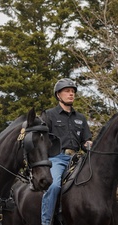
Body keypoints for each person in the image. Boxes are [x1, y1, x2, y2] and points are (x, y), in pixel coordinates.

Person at [41, 78, 93, 225]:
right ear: (58, 95)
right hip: (57, 158)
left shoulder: (81, 118)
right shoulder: (49, 115)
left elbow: (86, 140)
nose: (71, 94)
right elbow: (42, 140)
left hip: (78, 159)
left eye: (73, 92)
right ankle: (46, 221)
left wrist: (89, 144)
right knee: (54, 186)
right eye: (67, 91)